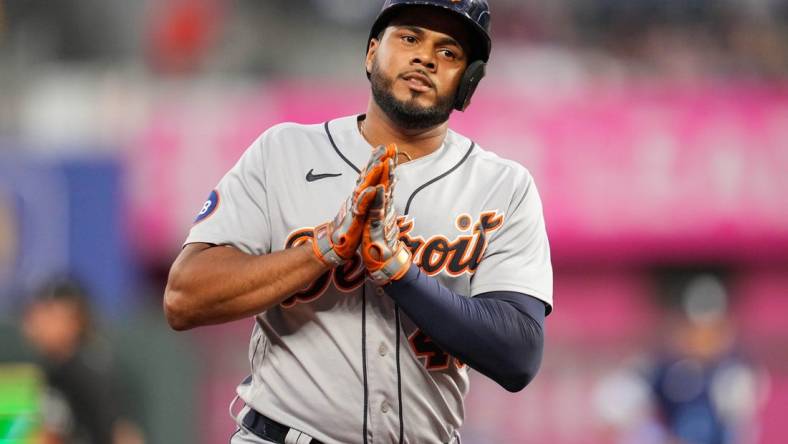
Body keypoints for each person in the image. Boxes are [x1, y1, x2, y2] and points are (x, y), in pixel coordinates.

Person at [164, 1, 553, 443]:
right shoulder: (285, 152)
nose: (425, 57)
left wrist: (400, 272)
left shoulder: (503, 186)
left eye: (448, 52)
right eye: (409, 38)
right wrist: (324, 248)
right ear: (371, 53)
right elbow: (184, 297)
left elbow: (518, 354)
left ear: (467, 83)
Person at [21, 278, 144, 444]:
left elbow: (124, 434)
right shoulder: (55, 369)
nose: (39, 323)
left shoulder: (89, 369)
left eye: (50, 315)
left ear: (76, 320)